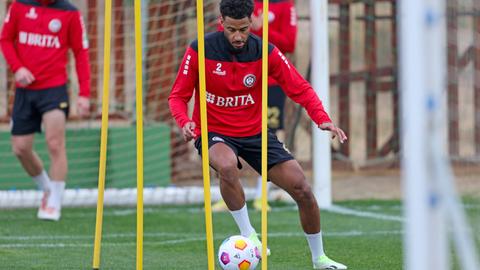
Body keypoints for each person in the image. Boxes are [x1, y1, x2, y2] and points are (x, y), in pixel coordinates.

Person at [168, 0, 347, 268]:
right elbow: (177, 96)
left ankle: (319, 258)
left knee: (303, 189)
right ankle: (249, 234)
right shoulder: (199, 49)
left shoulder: (266, 51)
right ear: (221, 23)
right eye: (231, 30)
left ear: (252, 22)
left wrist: (322, 119)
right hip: (214, 131)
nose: (238, 36)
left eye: (243, 29)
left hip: (255, 133)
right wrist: (184, 121)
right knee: (227, 166)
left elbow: (300, 87)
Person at [0, 0, 91, 221]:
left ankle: (54, 204)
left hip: (54, 90)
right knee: (21, 148)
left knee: (55, 143)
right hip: (24, 90)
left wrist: (84, 94)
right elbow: (5, 39)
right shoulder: (19, 5)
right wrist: (18, 68)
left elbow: (81, 53)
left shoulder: (70, 13)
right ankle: (47, 188)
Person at [212, 0, 298, 213]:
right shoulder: (242, 5)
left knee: (271, 135)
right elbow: (222, 35)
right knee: (226, 135)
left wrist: (262, 28)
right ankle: (229, 193)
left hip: (270, 84)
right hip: (237, 82)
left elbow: (289, 43)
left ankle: (262, 195)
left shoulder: (285, 5)